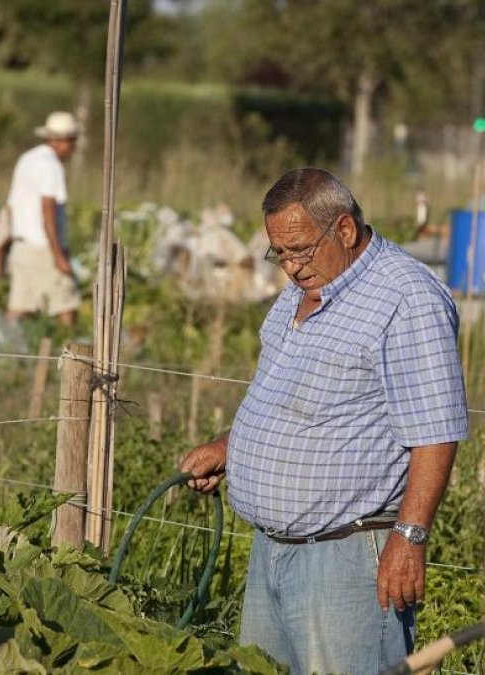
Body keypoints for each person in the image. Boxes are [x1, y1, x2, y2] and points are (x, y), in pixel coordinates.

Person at [179, 168, 468, 675]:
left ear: (345, 230)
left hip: (347, 558)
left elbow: (436, 433)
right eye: (280, 253)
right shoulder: (305, 288)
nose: (290, 266)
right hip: (273, 550)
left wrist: (409, 538)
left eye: (300, 249)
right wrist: (233, 446)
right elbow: (288, 394)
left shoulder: (406, 299)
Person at [3, 111, 81, 327]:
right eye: (72, 141)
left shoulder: (27, 159)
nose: (73, 147)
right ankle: (70, 354)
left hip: (22, 245)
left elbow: (11, 206)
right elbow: (47, 210)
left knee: (19, 307)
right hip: (43, 247)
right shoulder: (51, 166)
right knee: (66, 302)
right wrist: (58, 255)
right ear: (61, 141)